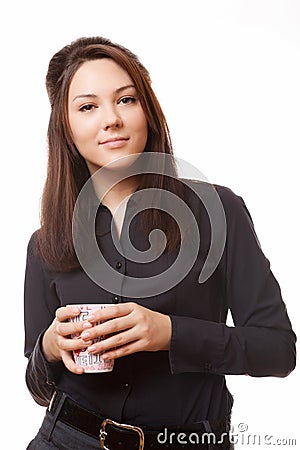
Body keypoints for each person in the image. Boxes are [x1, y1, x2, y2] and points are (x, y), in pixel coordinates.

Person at [24, 36, 296, 450]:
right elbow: (38, 386)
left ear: (147, 110)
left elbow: (278, 351)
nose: (111, 119)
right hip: (66, 439)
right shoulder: (47, 243)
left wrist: (169, 333)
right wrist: (48, 346)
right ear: (66, 129)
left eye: (126, 100)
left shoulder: (217, 210)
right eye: (87, 107)